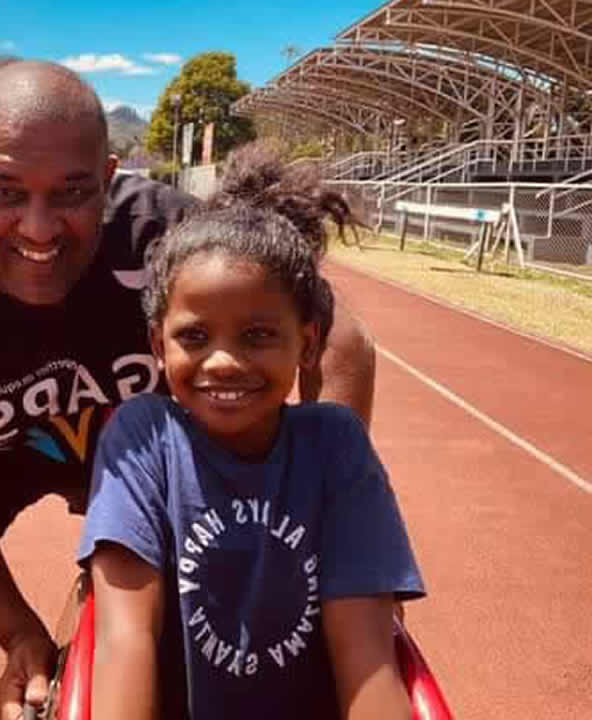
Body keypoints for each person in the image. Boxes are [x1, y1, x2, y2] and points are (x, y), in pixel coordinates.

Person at [0, 60, 378, 719]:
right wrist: (17, 633)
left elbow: (337, 338)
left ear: (108, 179)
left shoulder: (166, 241)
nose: (38, 228)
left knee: (200, 598)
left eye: (71, 193)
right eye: (5, 192)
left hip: (149, 454)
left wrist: (312, 507)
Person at [77, 166, 424, 720]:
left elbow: (366, 659)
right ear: (158, 346)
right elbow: (125, 640)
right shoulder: (145, 438)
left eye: (258, 335)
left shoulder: (336, 448)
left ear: (307, 344)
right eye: (194, 336)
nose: (223, 362)